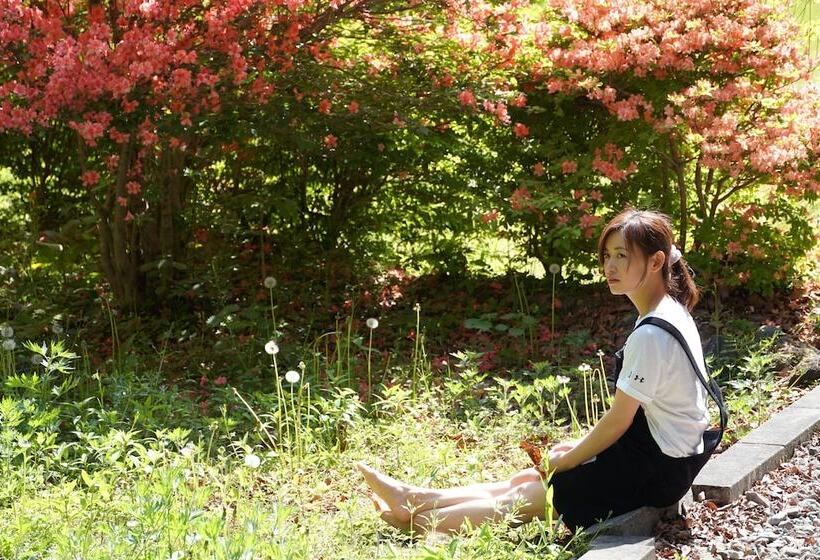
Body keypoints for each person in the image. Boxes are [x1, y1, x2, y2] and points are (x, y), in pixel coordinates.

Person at [357, 207, 719, 535]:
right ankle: (416, 496)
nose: (610, 266)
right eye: (607, 255)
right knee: (530, 476)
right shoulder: (669, 308)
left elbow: (618, 421)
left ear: (656, 262)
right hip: (660, 452)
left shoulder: (652, 333)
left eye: (622, 256)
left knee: (539, 490)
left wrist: (568, 459)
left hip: (657, 470)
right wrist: (573, 452)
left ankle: (421, 524)